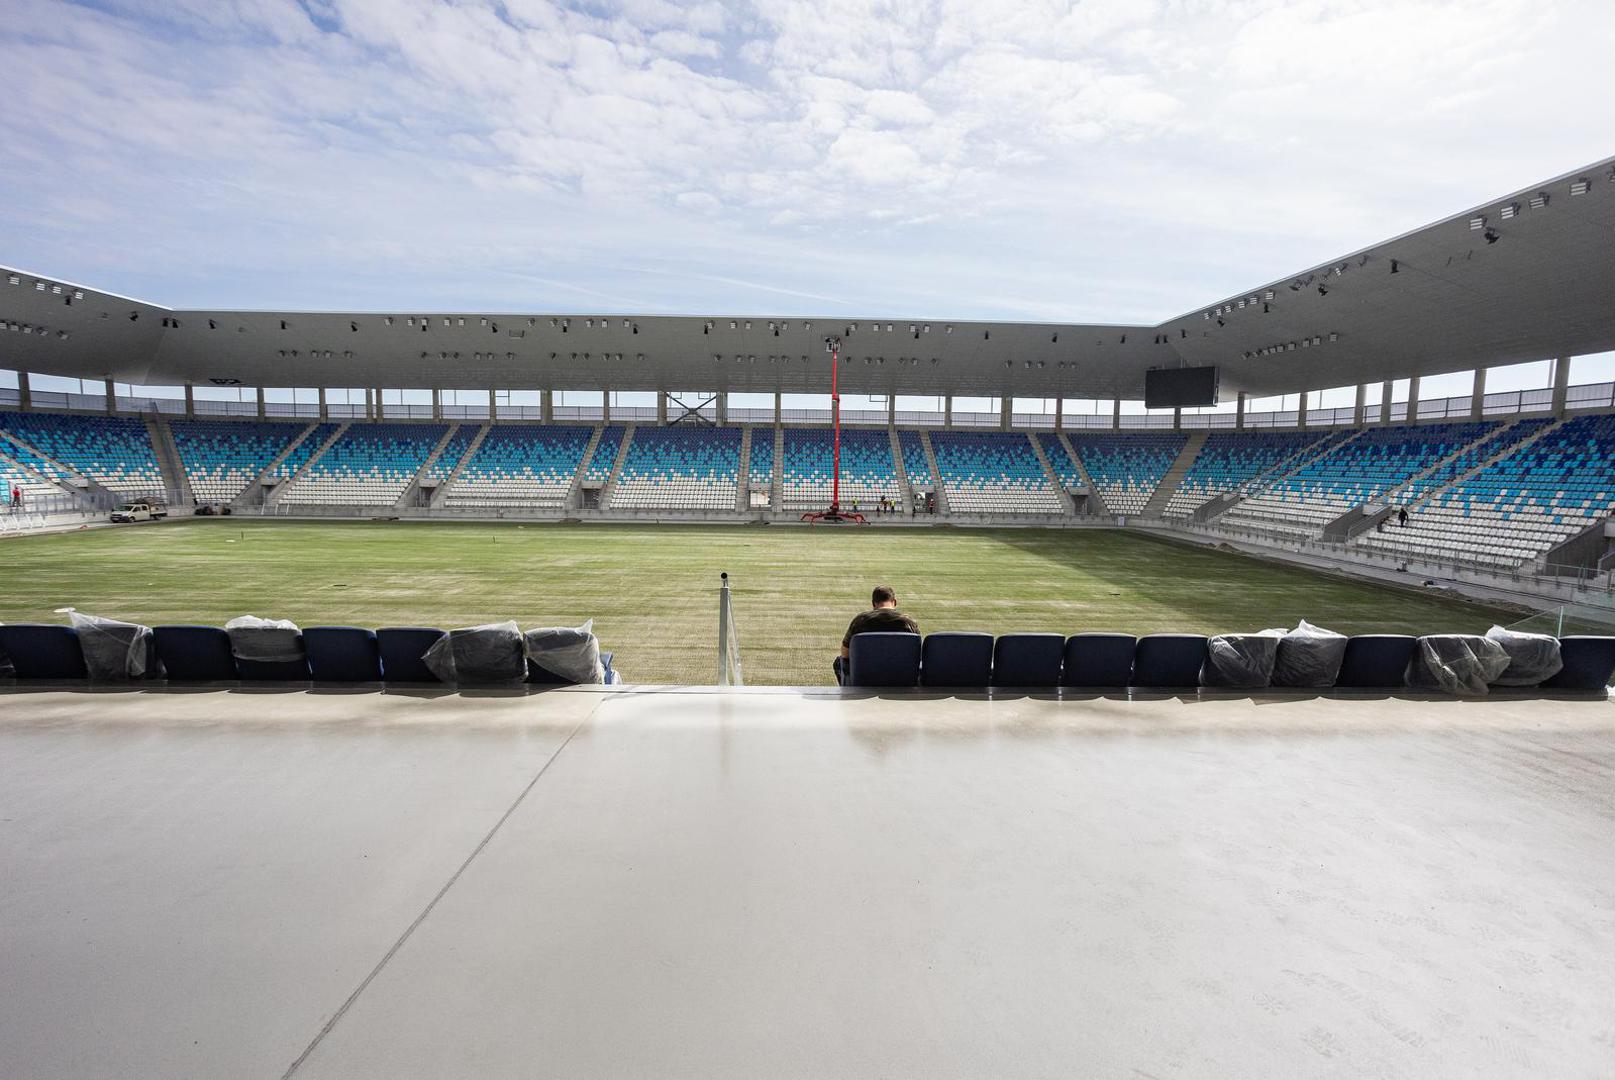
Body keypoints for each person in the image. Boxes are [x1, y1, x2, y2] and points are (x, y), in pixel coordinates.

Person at [834, 585, 919, 684]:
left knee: (838, 663)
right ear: (894, 602)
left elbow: (845, 654)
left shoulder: (860, 621)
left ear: (873, 603)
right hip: (901, 677)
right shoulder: (909, 622)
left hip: (866, 677)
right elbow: (917, 654)